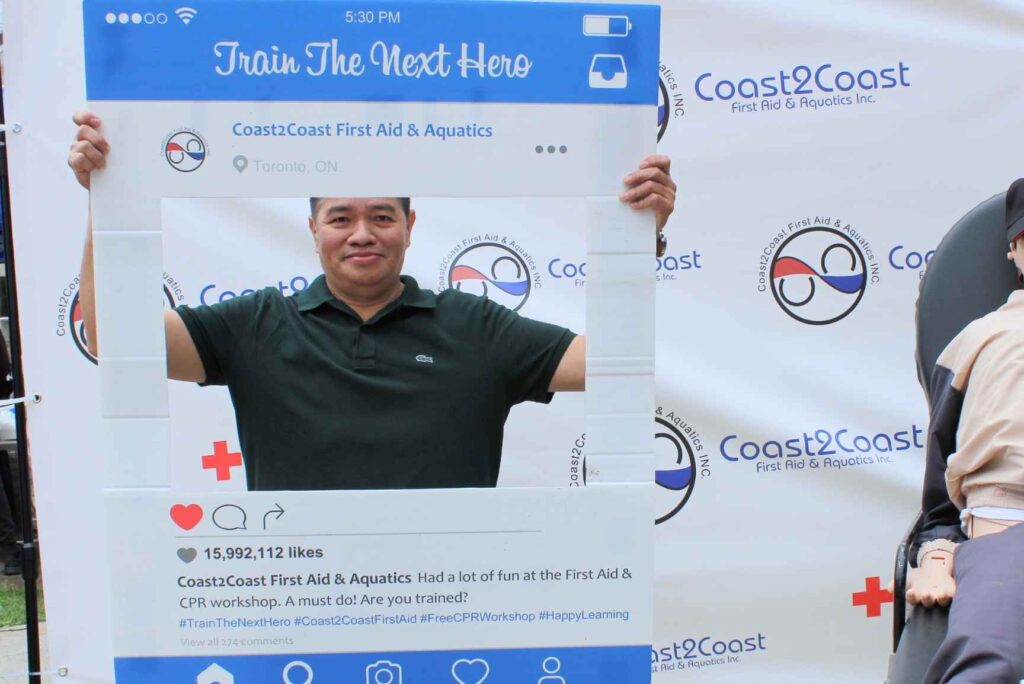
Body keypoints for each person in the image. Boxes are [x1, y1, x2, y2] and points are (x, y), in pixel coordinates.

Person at [68, 111, 677, 491]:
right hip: (300, 606)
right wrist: (108, 197)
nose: (362, 234)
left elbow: (616, 362)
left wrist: (637, 239)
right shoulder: (255, 324)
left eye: (382, 216)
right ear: (313, 230)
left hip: (453, 601)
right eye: (341, 218)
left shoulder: (474, 326)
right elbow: (114, 341)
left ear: (410, 227)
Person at [900, 178, 1024, 683]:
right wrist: (937, 553)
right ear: (1014, 250)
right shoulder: (980, 341)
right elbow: (940, 501)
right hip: (1006, 535)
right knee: (987, 661)